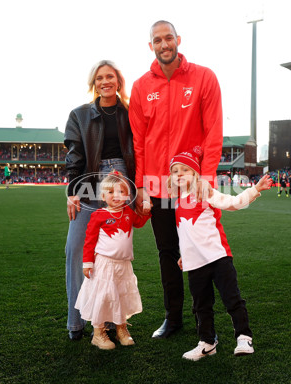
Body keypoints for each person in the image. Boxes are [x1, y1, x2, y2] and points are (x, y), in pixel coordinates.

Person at [129, 20, 223, 339]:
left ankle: (203, 318)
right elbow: (138, 142)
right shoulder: (142, 87)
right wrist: (141, 185)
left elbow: (213, 132)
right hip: (157, 187)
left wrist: (205, 179)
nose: (164, 44)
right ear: (151, 45)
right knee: (167, 253)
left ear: (178, 40)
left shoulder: (203, 77)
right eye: (158, 40)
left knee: (199, 252)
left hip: (191, 187)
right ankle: (173, 317)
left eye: (169, 38)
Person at [167, 147, 273, 360]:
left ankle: (244, 337)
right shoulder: (177, 201)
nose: (179, 174)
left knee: (231, 299)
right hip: (195, 263)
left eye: (185, 170)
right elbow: (186, 232)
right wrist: (184, 255)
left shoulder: (204, 192)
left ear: (195, 174)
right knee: (201, 305)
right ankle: (207, 342)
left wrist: (255, 189)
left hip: (218, 257)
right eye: (175, 170)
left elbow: (233, 204)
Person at [64, 60, 136, 341]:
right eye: (99, 78)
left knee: (111, 257)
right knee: (75, 249)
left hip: (122, 182)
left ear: (119, 81)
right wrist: (72, 190)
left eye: (110, 76)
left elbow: (140, 148)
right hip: (89, 180)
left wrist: (139, 188)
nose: (105, 81)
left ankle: (109, 322)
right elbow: (74, 155)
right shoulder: (79, 115)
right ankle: (75, 322)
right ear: (93, 83)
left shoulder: (131, 113)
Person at [74, 172, 150, 350]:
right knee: (103, 296)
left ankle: (121, 329)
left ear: (127, 195)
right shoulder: (99, 215)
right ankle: (99, 333)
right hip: (104, 265)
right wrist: (87, 263)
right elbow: (89, 241)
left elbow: (138, 222)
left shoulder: (128, 212)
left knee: (121, 296)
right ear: (102, 196)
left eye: (121, 192)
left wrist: (146, 212)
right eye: (111, 192)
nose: (116, 196)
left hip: (124, 265)